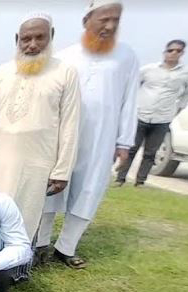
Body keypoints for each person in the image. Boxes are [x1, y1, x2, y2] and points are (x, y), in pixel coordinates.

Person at [38, 0, 139, 269]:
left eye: (115, 20)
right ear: (87, 21)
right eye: (104, 19)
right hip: (63, 134)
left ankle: (66, 247)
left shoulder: (126, 56)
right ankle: (41, 244)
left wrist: (124, 142)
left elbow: (130, 100)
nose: (110, 26)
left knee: (90, 189)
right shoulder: (65, 57)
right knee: (52, 187)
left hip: (102, 137)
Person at [0, 14, 81, 239]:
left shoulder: (65, 72)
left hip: (37, 164)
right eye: (26, 39)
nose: (32, 44)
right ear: (17, 40)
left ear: (51, 36)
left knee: (24, 219)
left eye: (39, 37)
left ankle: (17, 259)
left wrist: (62, 170)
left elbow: (70, 124)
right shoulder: (1, 72)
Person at [115, 39, 188, 186]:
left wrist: (178, 109)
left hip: (163, 118)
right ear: (165, 52)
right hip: (140, 115)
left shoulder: (186, 73)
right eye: (171, 50)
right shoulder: (149, 69)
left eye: (178, 51)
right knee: (131, 148)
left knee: (150, 153)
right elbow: (132, 86)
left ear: (182, 53)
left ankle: (140, 181)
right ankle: (120, 178)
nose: (174, 53)